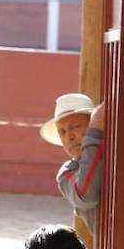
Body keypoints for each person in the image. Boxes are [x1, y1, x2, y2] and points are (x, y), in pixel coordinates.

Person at [42, 93, 104, 232]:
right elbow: (87, 195)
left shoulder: (113, 154)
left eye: (75, 126)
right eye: (62, 132)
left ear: (92, 123)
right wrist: (94, 134)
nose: (69, 137)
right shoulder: (67, 173)